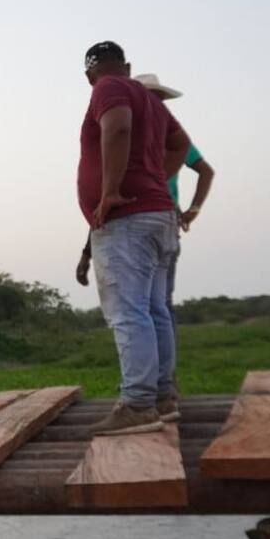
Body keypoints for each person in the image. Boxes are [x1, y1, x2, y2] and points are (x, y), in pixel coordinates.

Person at [77, 41, 190, 435]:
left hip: (129, 219)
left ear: (89, 74)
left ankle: (138, 404)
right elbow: (181, 145)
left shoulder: (106, 88)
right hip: (158, 217)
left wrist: (110, 190)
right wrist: (156, 176)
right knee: (155, 310)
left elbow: (119, 126)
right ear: (127, 65)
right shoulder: (151, 100)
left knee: (129, 313)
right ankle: (162, 397)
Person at [76, 73, 215, 335]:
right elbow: (106, 200)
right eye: (151, 97)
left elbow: (205, 171)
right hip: (134, 219)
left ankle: (153, 376)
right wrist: (87, 252)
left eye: (159, 98)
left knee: (147, 307)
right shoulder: (125, 140)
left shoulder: (166, 138)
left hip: (155, 220)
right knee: (151, 306)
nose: (156, 102)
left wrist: (193, 209)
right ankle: (160, 376)